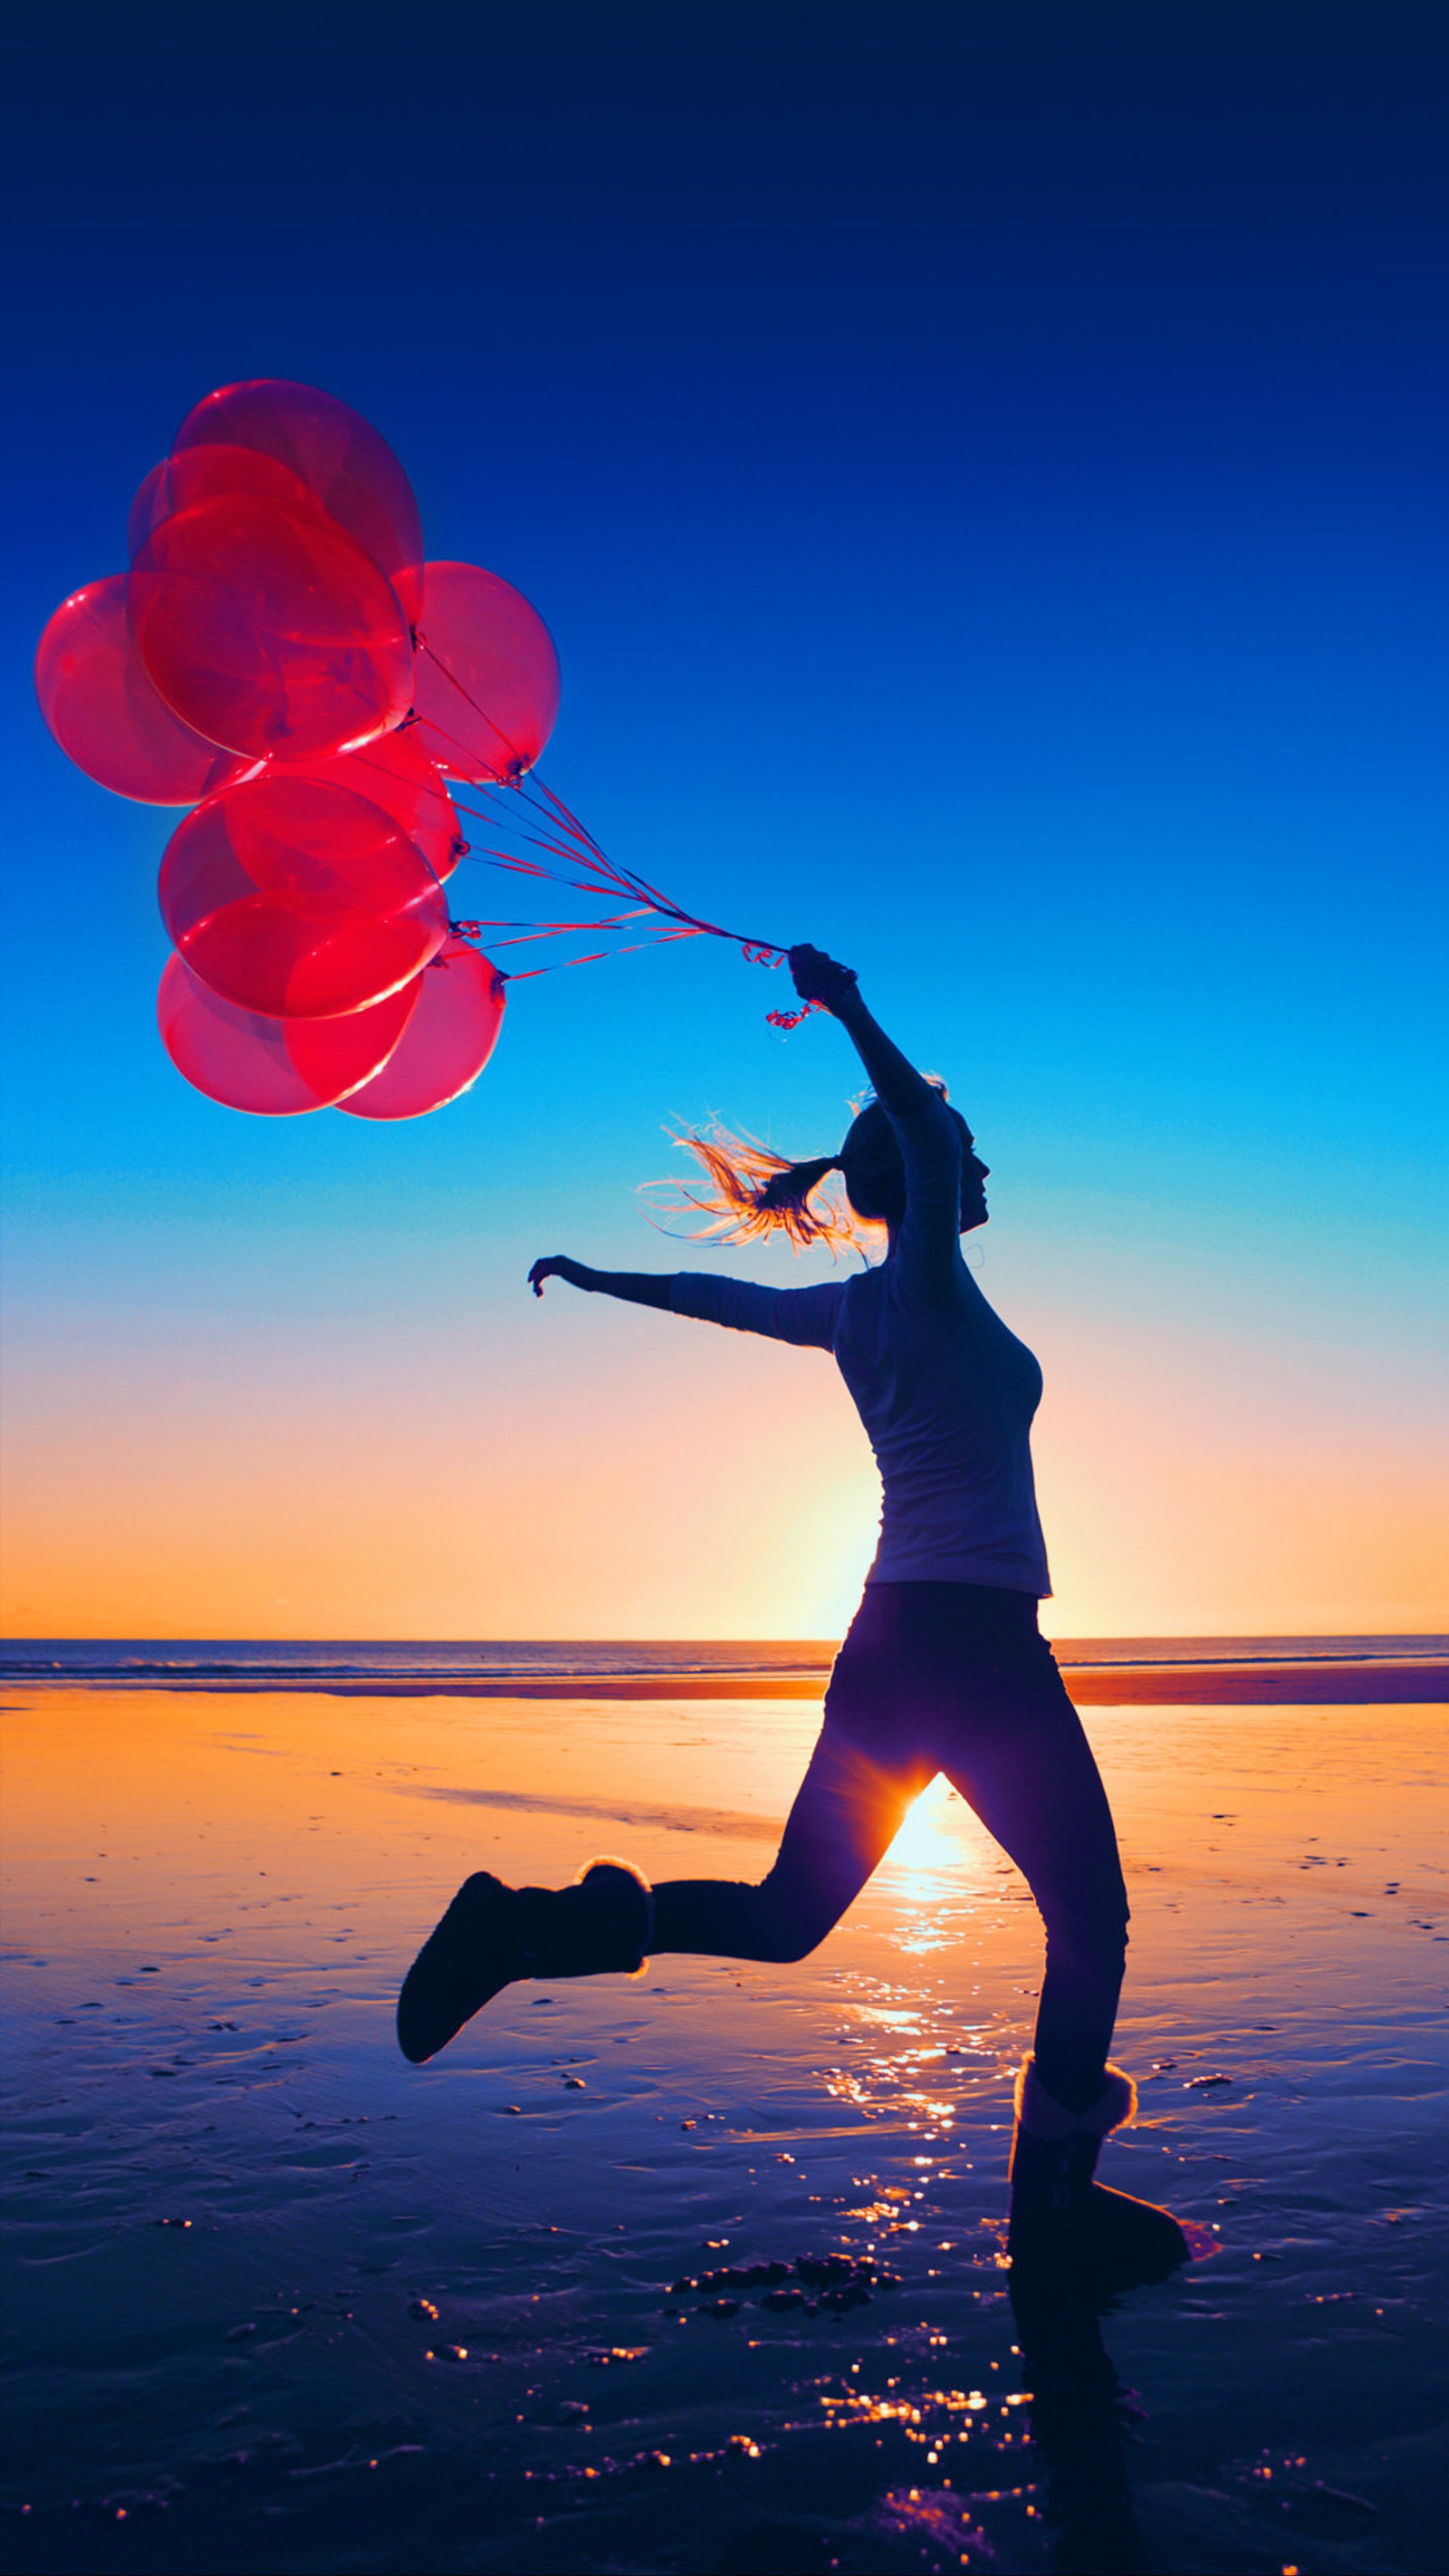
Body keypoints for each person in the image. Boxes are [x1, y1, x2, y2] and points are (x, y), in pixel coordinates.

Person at [398, 946, 1190, 2285]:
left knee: (787, 1914)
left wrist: (603, 1281)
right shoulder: (922, 1283)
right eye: (966, 1153)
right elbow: (919, 1144)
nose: (984, 1169)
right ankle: (1052, 2203)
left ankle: (529, 1927)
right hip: (976, 1651)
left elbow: (722, 1302)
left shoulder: (860, 1310)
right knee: (1093, 1918)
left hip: (890, 1650)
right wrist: (852, 1007)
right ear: (918, 1179)